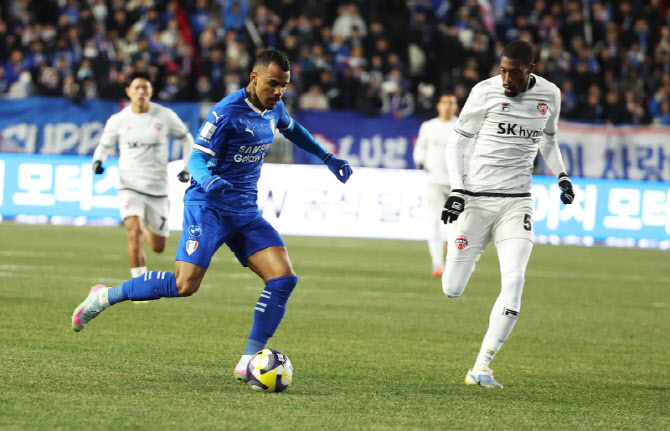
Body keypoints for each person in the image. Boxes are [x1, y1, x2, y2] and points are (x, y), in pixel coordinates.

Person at [72, 50, 353, 381]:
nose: (278, 91)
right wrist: (208, 180)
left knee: (283, 278)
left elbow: (292, 128)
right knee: (184, 285)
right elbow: (195, 158)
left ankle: (247, 362)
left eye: (284, 85)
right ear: (254, 77)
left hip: (245, 211)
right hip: (208, 207)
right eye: (273, 83)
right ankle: (102, 297)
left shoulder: (274, 107)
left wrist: (326, 157)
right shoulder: (226, 113)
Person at [440, 40, 575, 388]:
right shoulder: (483, 92)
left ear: (531, 69)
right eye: (502, 71)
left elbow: (548, 139)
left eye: (513, 73)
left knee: (515, 280)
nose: (506, 79)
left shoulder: (550, 95)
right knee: (452, 288)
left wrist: (561, 175)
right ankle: (466, 249)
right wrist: (457, 189)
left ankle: (481, 366)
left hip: (517, 202)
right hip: (476, 200)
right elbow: (457, 141)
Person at [91, 71, 193, 279]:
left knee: (158, 246)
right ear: (128, 91)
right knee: (134, 232)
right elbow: (104, 144)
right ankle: (139, 284)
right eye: (136, 88)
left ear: (151, 91)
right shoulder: (118, 120)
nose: (141, 92)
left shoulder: (165, 116)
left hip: (157, 188)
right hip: (129, 186)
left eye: (145, 88)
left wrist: (187, 168)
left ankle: (145, 223)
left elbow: (186, 139)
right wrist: (97, 161)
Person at [413, 93, 458, 277]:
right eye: (444, 103)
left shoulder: (462, 126)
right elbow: (420, 147)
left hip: (457, 183)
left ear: (456, 107)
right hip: (434, 182)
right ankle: (437, 263)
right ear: (438, 105)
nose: (447, 106)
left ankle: (453, 255)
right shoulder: (429, 126)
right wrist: (420, 161)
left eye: (451, 103)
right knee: (433, 221)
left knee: (457, 225)